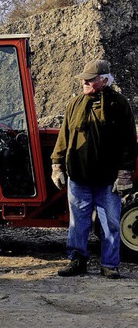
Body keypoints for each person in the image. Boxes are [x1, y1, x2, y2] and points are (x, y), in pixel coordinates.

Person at [51, 59, 136, 279]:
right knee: (77, 223)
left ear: (105, 80)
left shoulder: (119, 105)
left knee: (111, 223)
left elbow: (128, 142)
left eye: (90, 80)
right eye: (84, 79)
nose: (85, 83)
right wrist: (56, 165)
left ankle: (109, 264)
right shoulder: (75, 104)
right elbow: (64, 137)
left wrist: (125, 172)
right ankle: (76, 261)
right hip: (78, 177)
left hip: (108, 179)